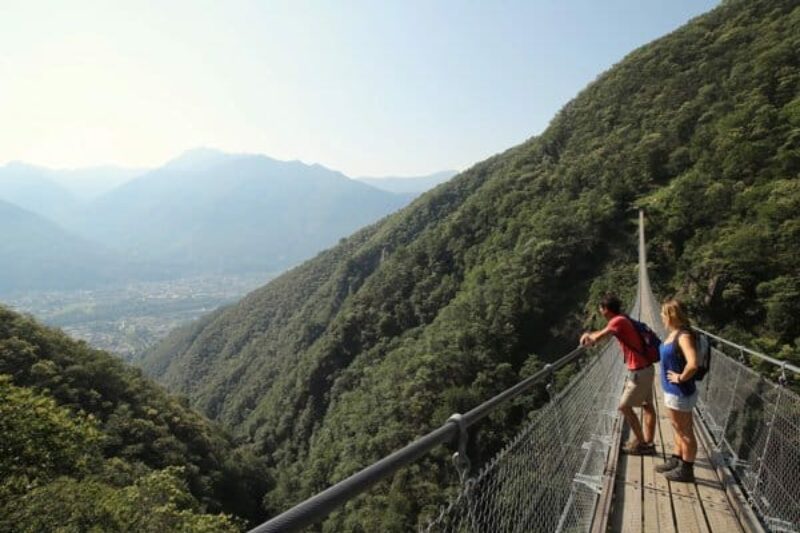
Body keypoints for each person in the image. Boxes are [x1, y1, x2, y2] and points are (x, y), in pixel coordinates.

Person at [580, 294, 656, 455]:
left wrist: (588, 337)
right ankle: (649, 443)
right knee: (648, 406)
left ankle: (642, 443)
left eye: (601, 308)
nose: (600, 311)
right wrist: (591, 334)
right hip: (646, 369)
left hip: (639, 372)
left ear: (606, 309)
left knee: (624, 406)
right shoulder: (623, 318)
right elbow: (605, 331)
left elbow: (597, 338)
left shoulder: (617, 322)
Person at [654, 299, 699, 482]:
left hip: (680, 391)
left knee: (685, 431)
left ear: (671, 315)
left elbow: (693, 364)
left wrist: (680, 377)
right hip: (672, 390)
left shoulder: (683, 336)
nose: (661, 316)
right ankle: (677, 458)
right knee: (677, 428)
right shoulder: (674, 333)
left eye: (664, 313)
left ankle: (686, 470)